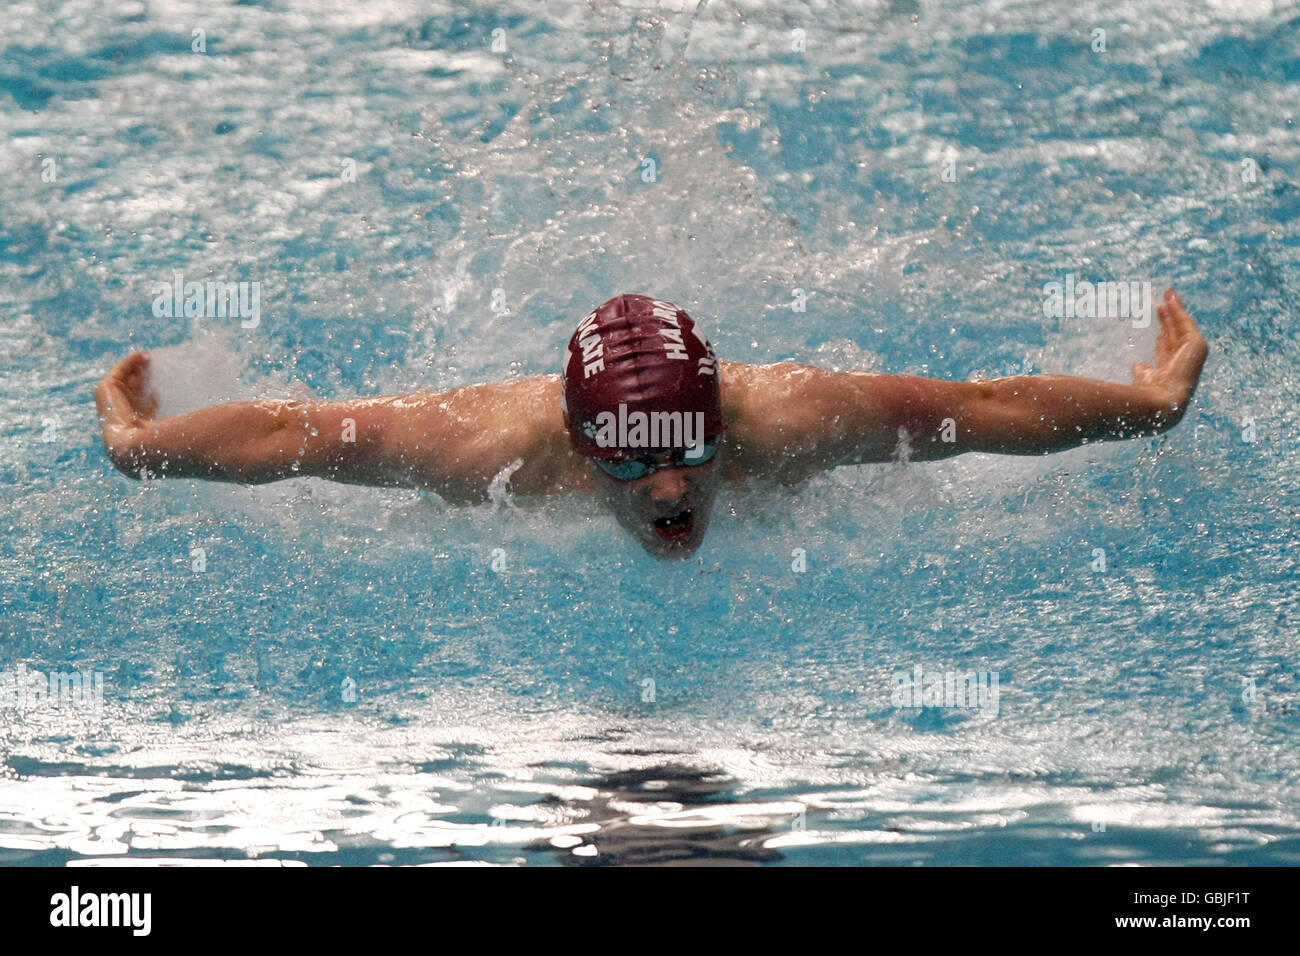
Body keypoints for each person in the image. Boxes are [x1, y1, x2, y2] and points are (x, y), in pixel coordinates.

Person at [96, 289, 1208, 559]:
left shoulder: (793, 419)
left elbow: (982, 407)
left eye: (689, 453)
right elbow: (293, 436)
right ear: (582, 449)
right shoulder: (486, 450)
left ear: (721, 423)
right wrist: (143, 446)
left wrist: (1151, 405)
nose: (671, 493)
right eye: (630, 465)